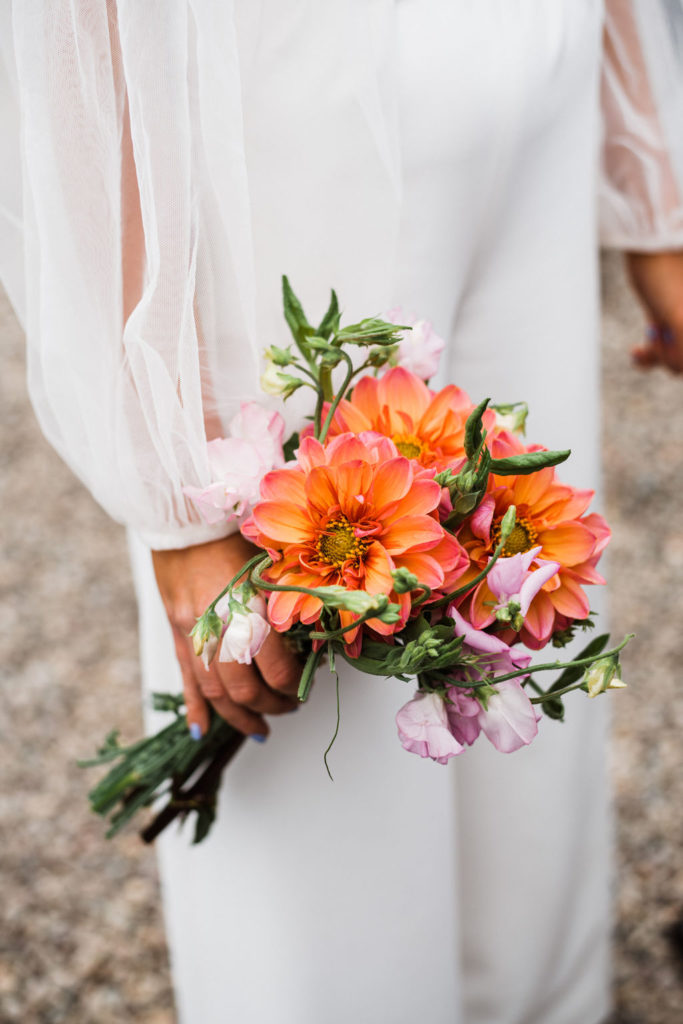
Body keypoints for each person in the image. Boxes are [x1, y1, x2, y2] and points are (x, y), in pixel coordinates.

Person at [1, 3, 682, 1022]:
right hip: (279, 92)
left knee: (529, 627)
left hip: (541, 65)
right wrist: (172, 485)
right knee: (331, 832)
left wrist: (650, 184)